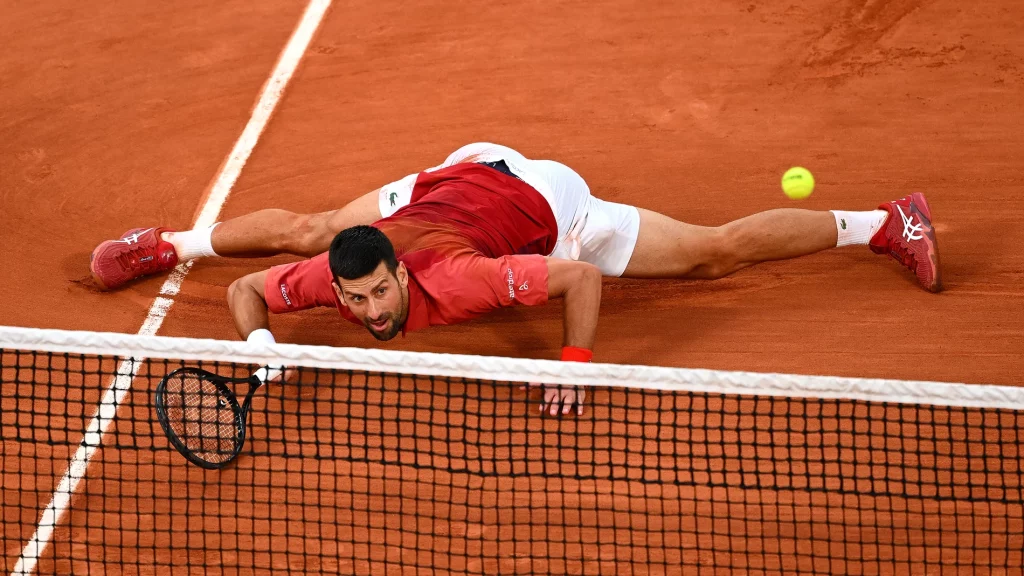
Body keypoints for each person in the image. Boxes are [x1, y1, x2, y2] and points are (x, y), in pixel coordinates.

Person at [90, 143, 942, 415]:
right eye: (359, 299)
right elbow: (250, 290)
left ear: (397, 275)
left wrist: (572, 364)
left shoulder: (466, 283)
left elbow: (577, 280)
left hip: (550, 203)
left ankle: (886, 223)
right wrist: (262, 343)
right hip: (461, 174)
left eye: (380, 292)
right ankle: (163, 244)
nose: (372, 309)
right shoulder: (335, 272)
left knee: (712, 253)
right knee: (314, 226)